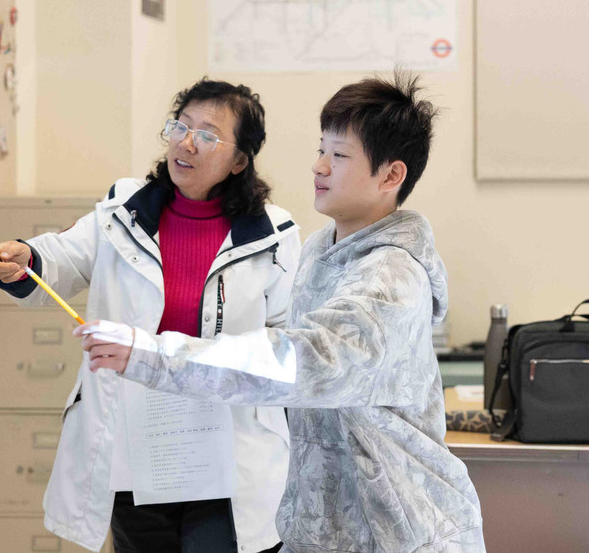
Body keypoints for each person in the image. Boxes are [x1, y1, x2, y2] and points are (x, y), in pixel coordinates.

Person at [77, 72, 486, 553]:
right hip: (323, 527)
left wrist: (152, 354)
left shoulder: (391, 279)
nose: (319, 166)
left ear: (391, 176)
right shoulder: (320, 249)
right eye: (321, 149)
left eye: (339, 156)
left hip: (398, 530)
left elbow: (301, 362)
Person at [0, 79, 301, 553]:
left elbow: (286, 347)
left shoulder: (273, 235)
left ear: (240, 160)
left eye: (208, 135)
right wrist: (24, 259)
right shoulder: (124, 210)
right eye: (181, 126)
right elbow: (63, 258)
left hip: (227, 448)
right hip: (137, 441)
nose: (186, 143)